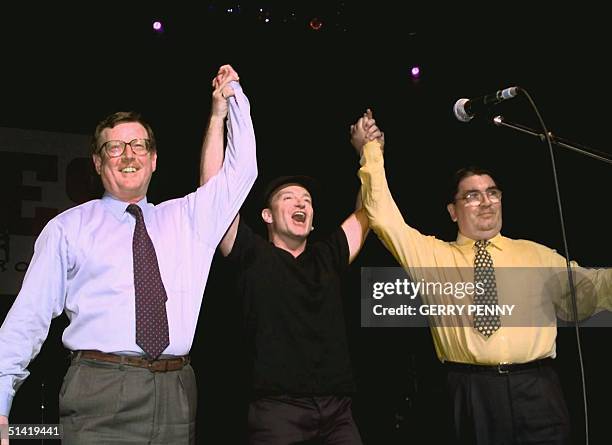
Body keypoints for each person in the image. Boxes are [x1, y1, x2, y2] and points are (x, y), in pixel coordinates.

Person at [0, 64, 257, 444]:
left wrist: (229, 103)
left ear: (153, 160)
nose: (127, 154)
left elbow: (241, 172)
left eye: (138, 145)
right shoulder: (68, 228)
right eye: (114, 147)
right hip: (100, 390)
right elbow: (29, 317)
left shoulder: (188, 219)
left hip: (177, 392)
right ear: (99, 163)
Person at [354, 111, 612, 445]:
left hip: (539, 392)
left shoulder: (537, 255)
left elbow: (593, 291)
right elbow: (384, 218)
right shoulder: (434, 257)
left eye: (492, 192)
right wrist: (371, 151)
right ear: (453, 210)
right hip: (473, 393)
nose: (486, 202)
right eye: (472, 195)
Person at [199, 111, 382, 444]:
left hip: (338, 412)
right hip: (277, 413)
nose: (301, 203)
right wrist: (217, 116)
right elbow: (213, 195)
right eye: (289, 198)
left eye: (307, 201)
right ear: (267, 215)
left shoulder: (327, 255)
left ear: (312, 221)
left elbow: (368, 210)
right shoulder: (251, 253)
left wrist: (372, 153)